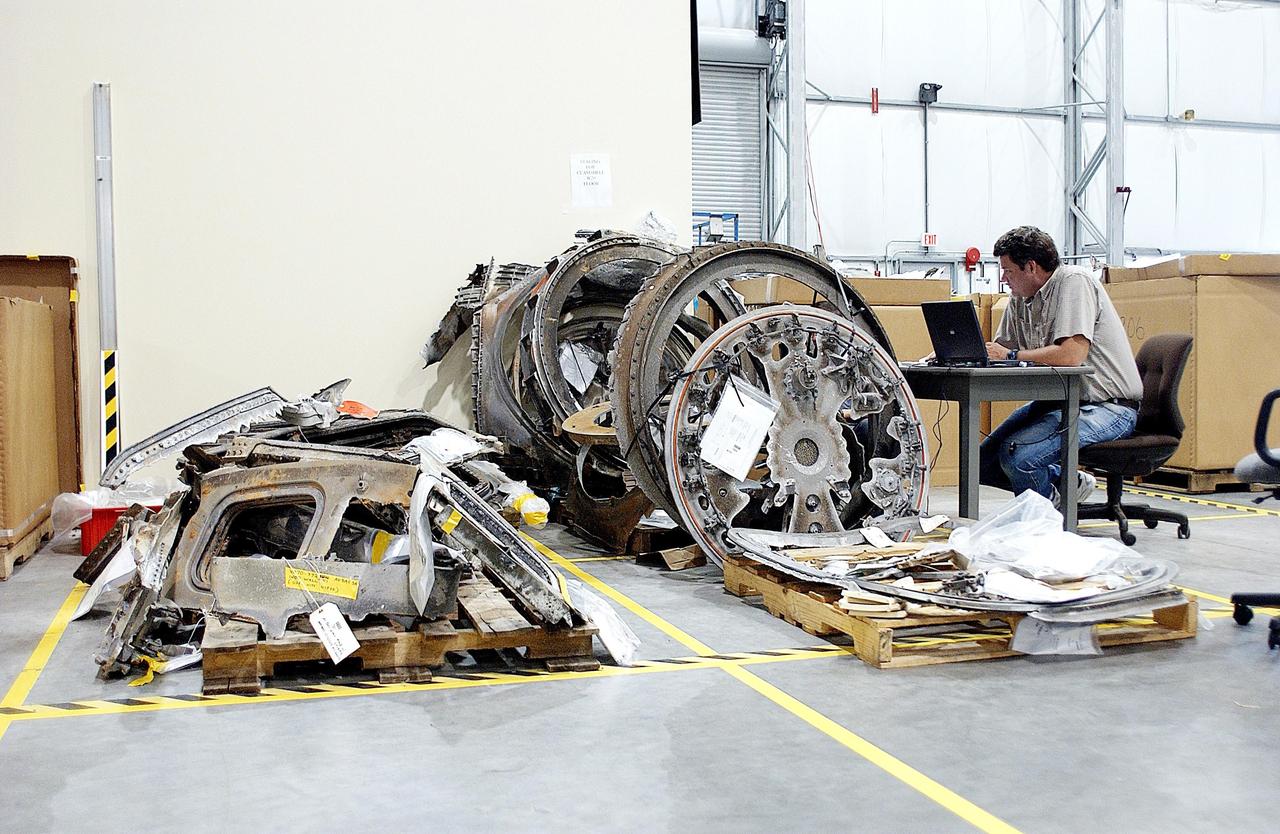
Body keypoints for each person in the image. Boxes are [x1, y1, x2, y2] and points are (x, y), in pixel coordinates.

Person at [978, 226, 1143, 506]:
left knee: (1021, 458)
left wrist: (1012, 355)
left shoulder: (1074, 282)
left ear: (1031, 267)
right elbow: (1002, 350)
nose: (1003, 278)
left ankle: (1047, 520)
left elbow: (1071, 355)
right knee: (982, 462)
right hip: (1061, 402)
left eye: (1008, 271)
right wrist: (966, 353)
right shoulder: (1019, 299)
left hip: (1108, 407)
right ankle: (1065, 485)